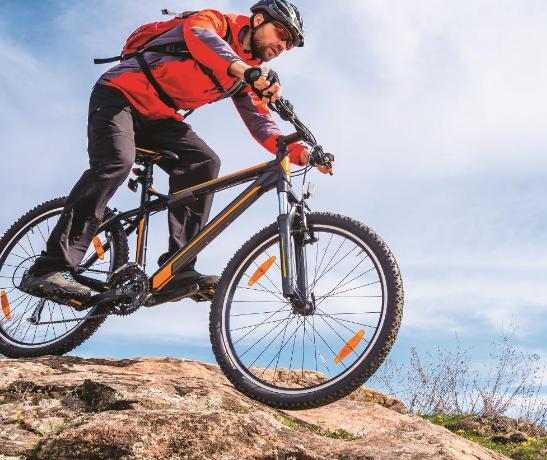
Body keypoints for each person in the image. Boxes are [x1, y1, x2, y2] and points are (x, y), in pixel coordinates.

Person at [20, 0, 332, 303]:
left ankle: (177, 272)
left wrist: (302, 153)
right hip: (119, 96)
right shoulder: (215, 24)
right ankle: (51, 267)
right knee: (117, 162)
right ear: (260, 20)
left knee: (205, 163)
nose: (284, 45)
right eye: (282, 34)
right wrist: (244, 71)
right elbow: (201, 40)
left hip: (160, 118)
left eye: (290, 44)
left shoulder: (250, 75)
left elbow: (263, 124)